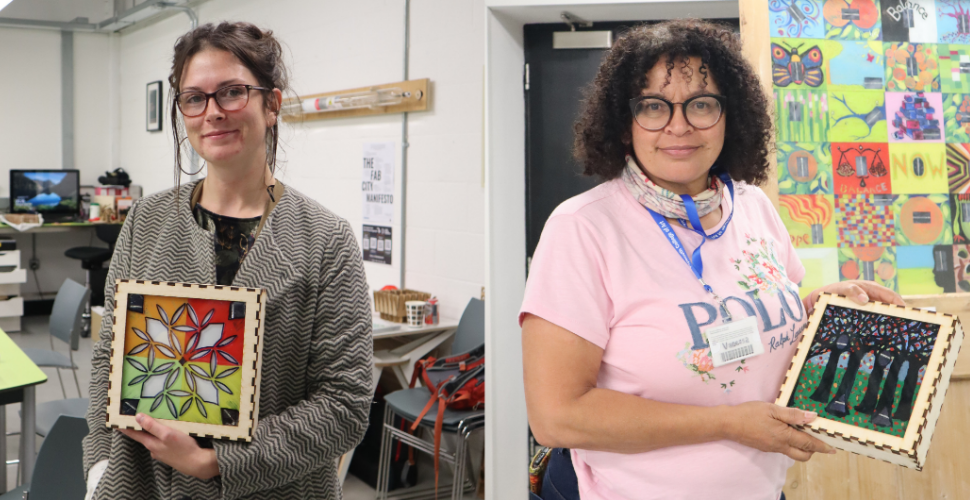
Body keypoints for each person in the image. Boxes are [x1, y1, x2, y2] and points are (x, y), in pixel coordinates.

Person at [519, 19, 904, 500]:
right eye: (653, 107)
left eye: (701, 104)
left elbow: (748, 328)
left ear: (730, 115)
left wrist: (813, 309)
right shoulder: (583, 228)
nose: (679, 126)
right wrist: (727, 425)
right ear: (623, 122)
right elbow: (557, 417)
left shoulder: (754, 207)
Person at [82, 22, 373, 500]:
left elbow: (344, 405)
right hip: (144, 484)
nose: (212, 113)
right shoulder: (148, 220)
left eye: (232, 93)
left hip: (277, 491)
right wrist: (100, 466)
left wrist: (215, 462)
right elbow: (108, 356)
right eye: (194, 98)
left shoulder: (325, 239)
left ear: (272, 104)